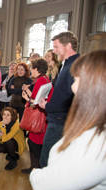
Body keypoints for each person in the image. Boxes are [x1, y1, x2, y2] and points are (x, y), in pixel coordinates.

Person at [30, 50, 106, 190]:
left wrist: (36, 173)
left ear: (93, 82)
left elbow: (44, 186)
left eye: (77, 78)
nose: (72, 86)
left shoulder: (99, 141)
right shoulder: (92, 121)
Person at [38, 31, 80, 168]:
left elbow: (72, 98)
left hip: (60, 120)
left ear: (68, 46)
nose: (54, 51)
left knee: (46, 159)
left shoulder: (75, 65)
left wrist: (48, 107)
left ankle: (44, 188)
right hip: (57, 117)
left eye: (56, 47)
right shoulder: (66, 64)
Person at [20, 58, 54, 174]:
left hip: (39, 117)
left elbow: (35, 102)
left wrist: (26, 98)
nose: (30, 70)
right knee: (32, 142)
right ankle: (34, 167)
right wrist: (28, 93)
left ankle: (39, 168)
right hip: (43, 115)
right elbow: (36, 96)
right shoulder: (44, 79)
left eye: (32, 68)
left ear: (36, 69)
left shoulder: (40, 81)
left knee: (34, 144)